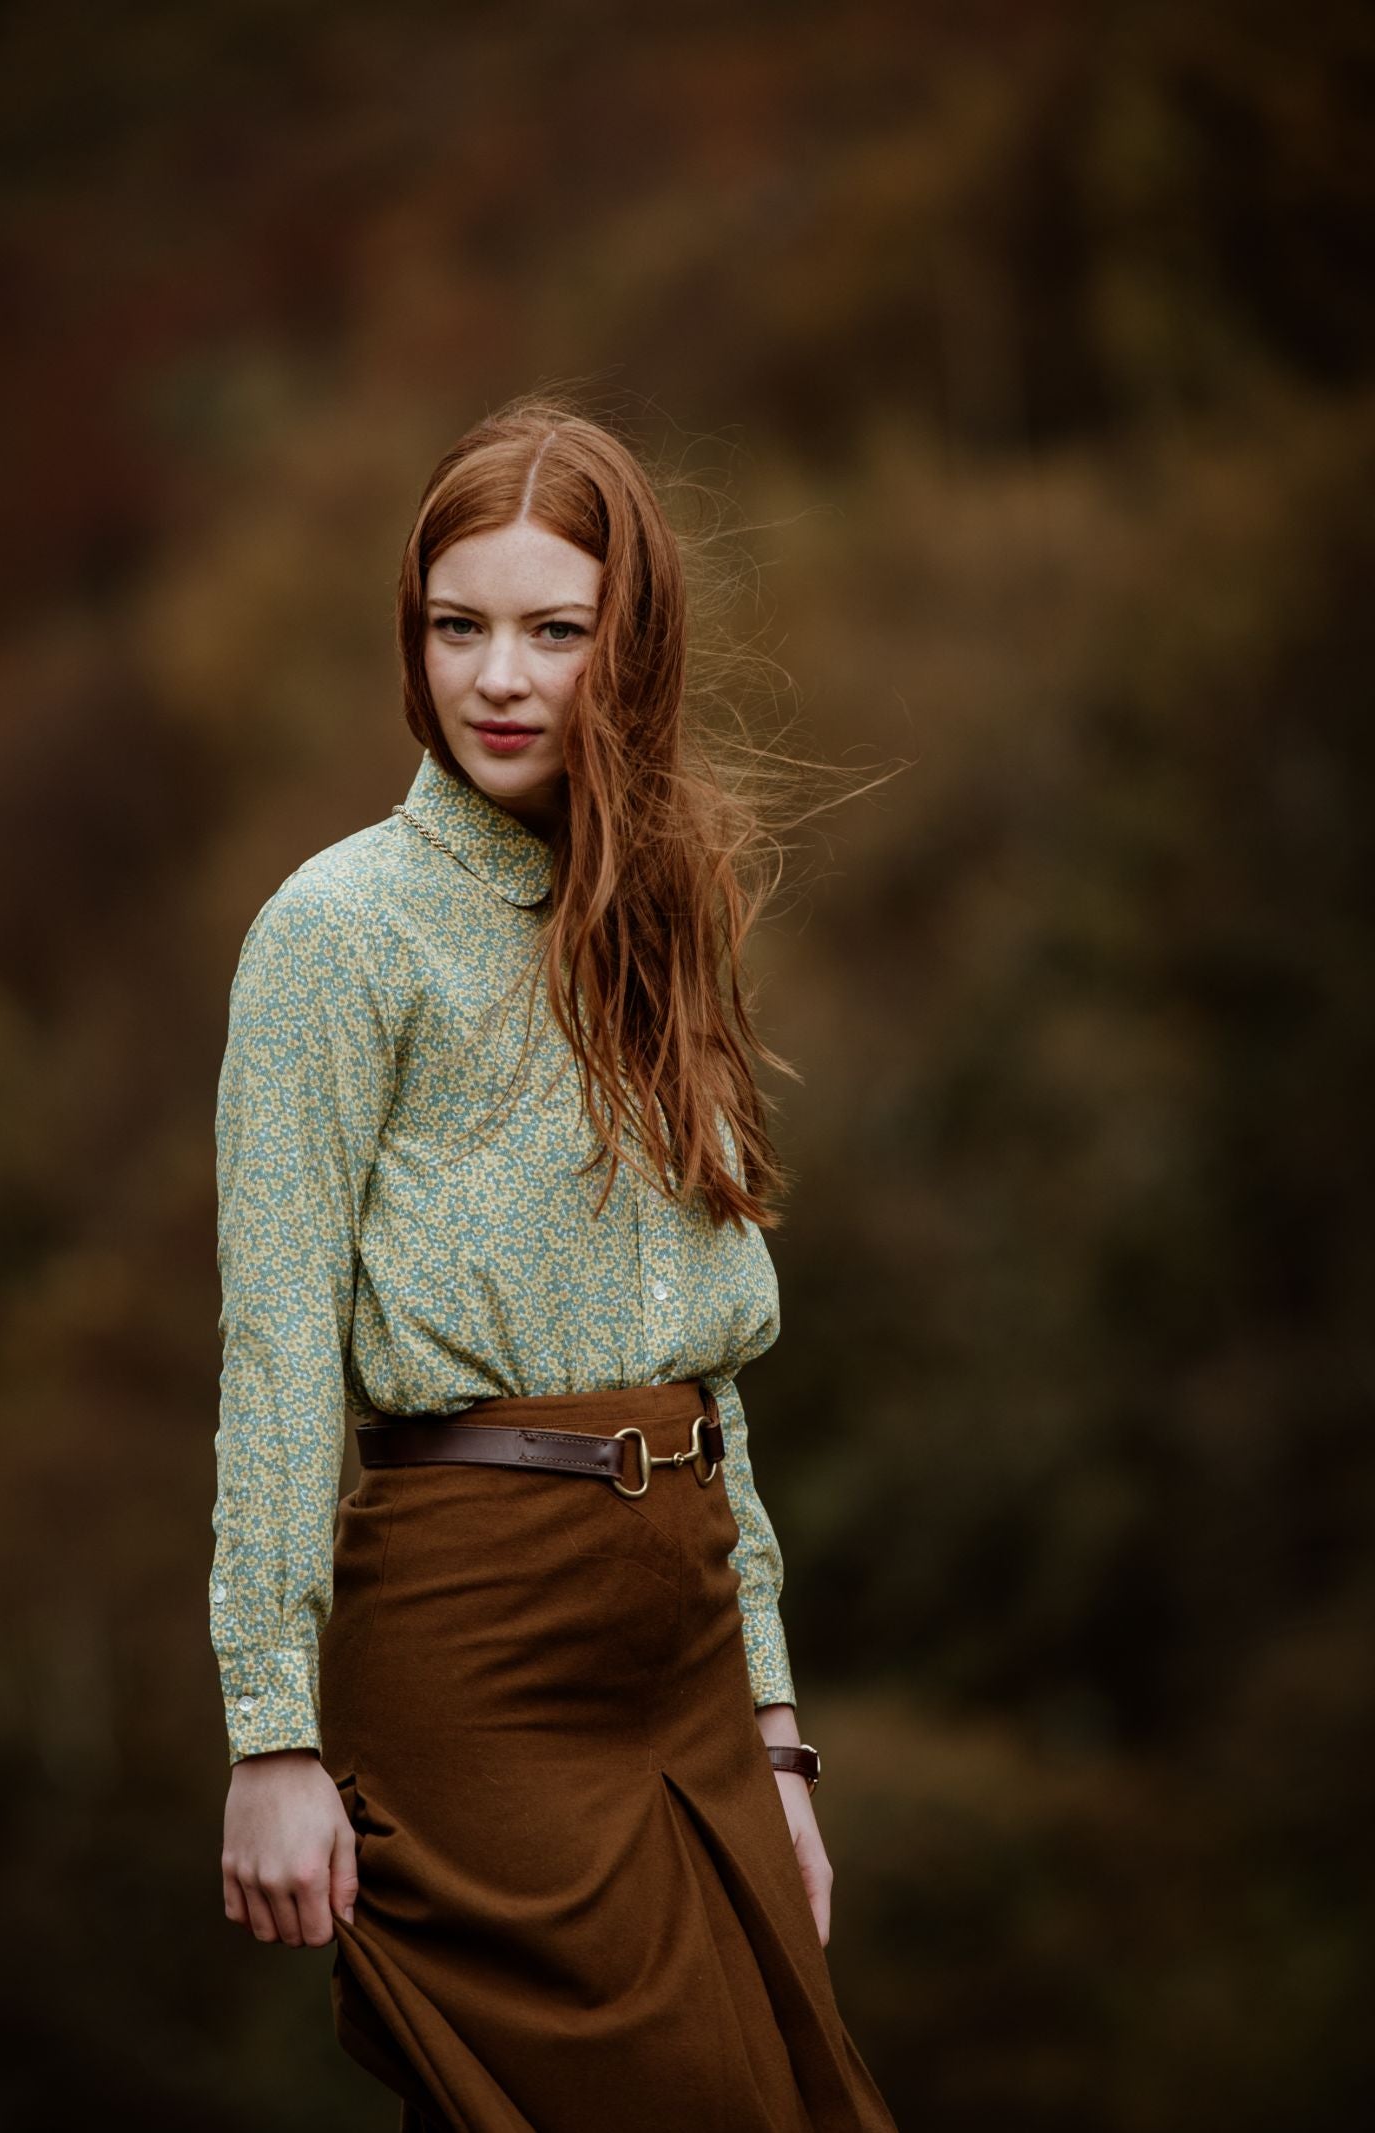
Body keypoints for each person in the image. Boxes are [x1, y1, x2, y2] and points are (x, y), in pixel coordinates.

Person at [208, 395, 899, 2131]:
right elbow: (280, 1349)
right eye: (459, 626)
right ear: (412, 638)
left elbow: (707, 1384)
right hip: (476, 1644)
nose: (497, 676)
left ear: (633, 645)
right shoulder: (336, 931)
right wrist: (269, 1734)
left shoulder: (663, 914)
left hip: (684, 1655)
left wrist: (780, 1732)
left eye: (552, 630)